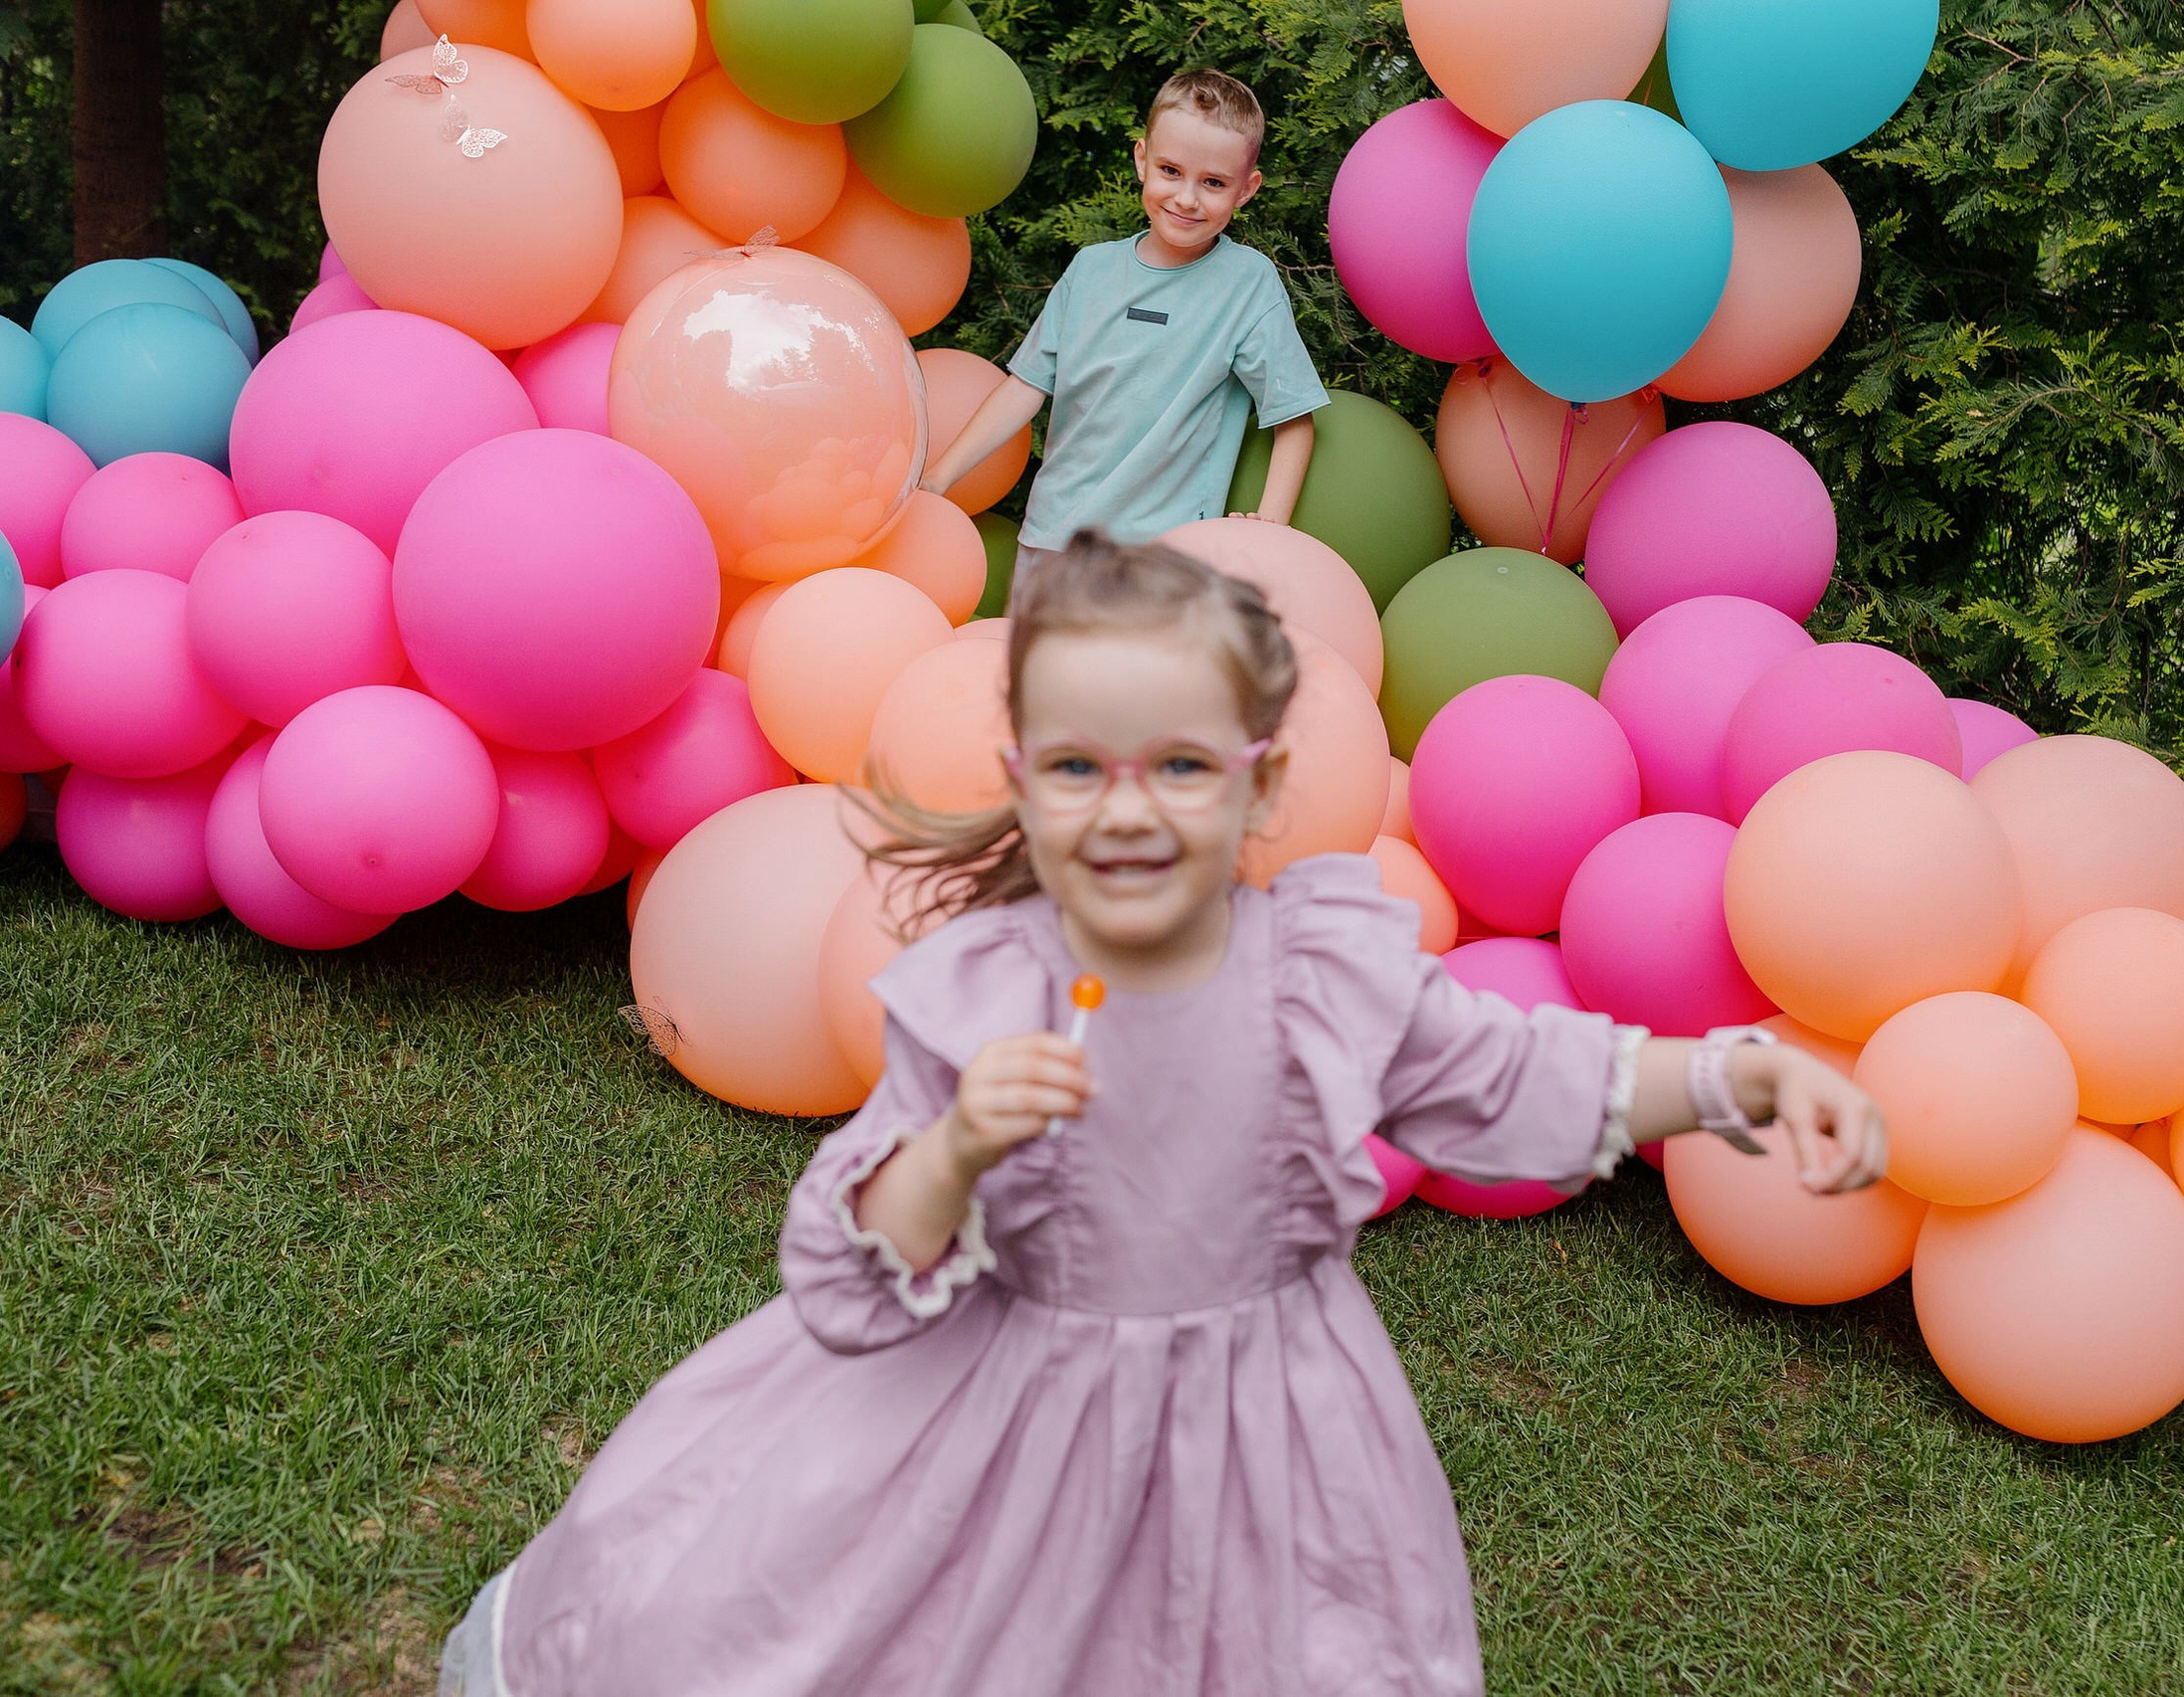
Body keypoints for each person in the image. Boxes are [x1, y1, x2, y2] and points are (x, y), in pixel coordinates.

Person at [440, 533, 1888, 1697]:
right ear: (1020, 781)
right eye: (1080, 767)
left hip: (1267, 1422)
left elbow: (1513, 1079)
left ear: (1257, 780)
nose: (1128, 809)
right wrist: (950, 1152)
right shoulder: (982, 991)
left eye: (1181, 767)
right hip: (987, 1409)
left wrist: (1717, 1076)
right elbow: (852, 1264)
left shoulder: (1322, 972)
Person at [921, 71, 1329, 594]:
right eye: (1170, 170)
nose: (1186, 198)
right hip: (1054, 539)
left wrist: (1270, 530)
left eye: (1213, 182)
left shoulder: (1247, 284)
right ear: (1142, 160)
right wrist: (939, 478)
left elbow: (1294, 417)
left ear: (1246, 189)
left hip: (1164, 558)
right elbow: (1024, 389)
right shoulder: (1090, 270)